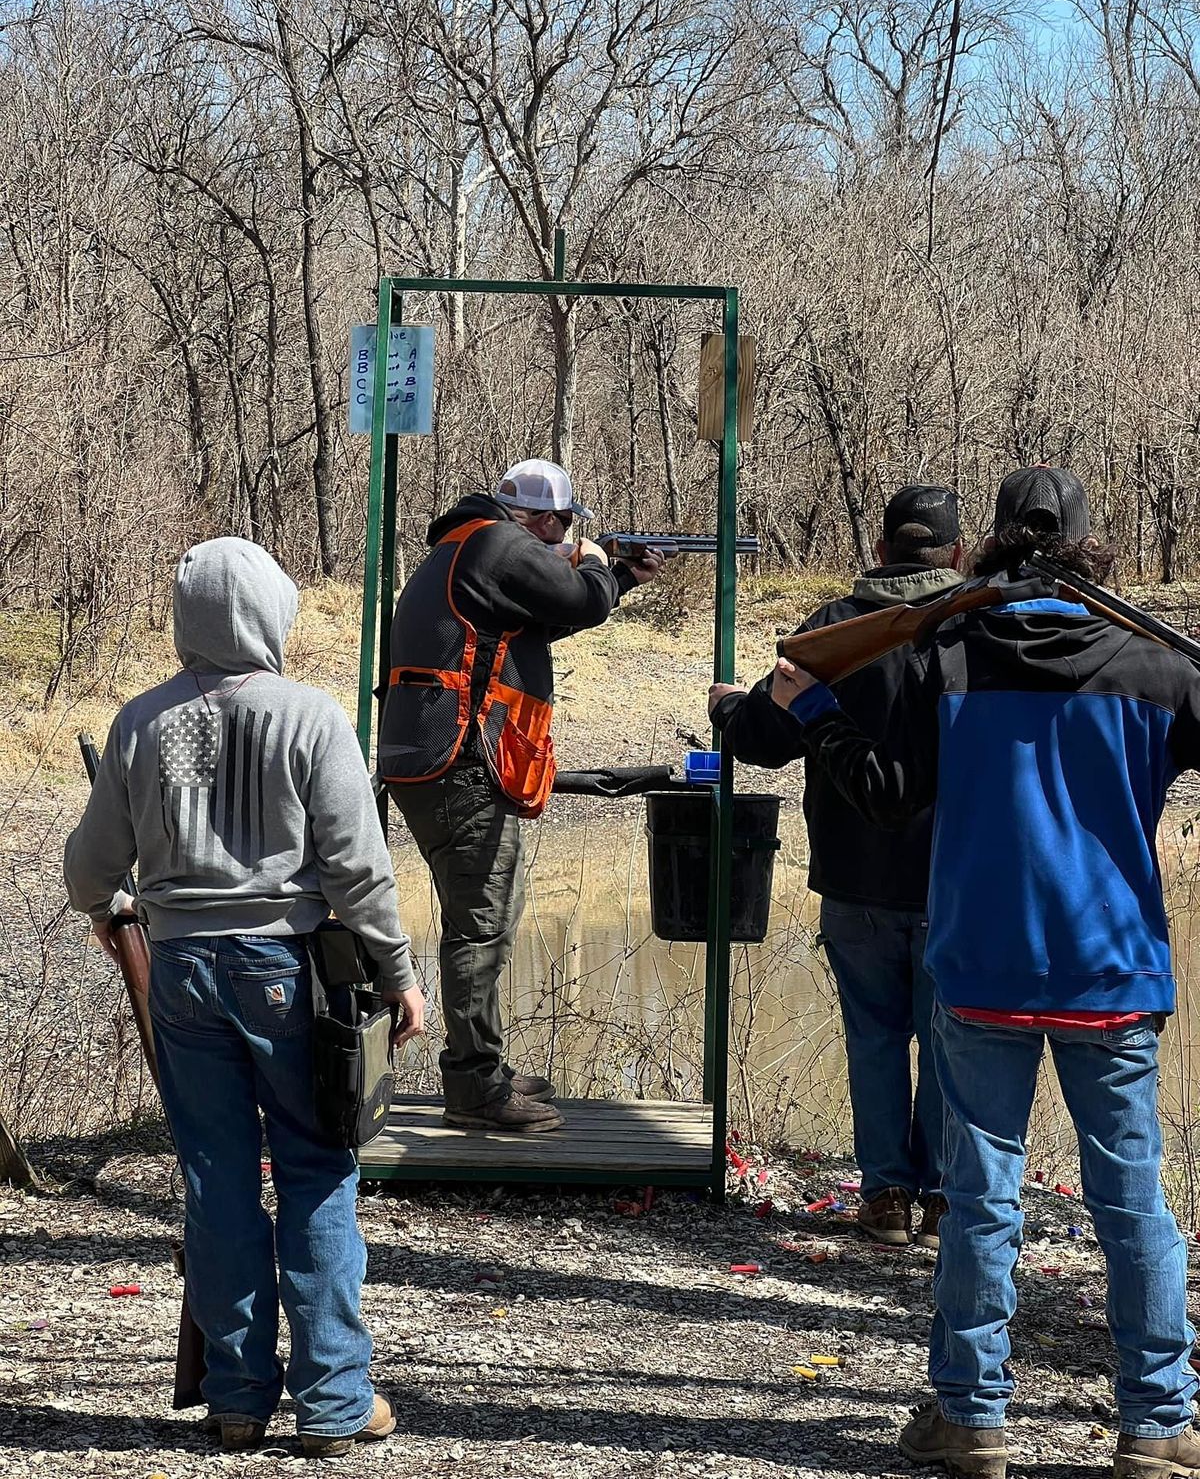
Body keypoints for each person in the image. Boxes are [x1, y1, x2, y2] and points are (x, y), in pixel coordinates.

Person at [762, 467, 1200, 1479]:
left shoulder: (948, 656)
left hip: (983, 966)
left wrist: (817, 708)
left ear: (992, 545)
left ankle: (972, 1415)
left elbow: (881, 796)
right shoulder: (1154, 667)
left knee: (983, 1195)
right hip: (1112, 972)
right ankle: (1158, 1422)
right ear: (1091, 549)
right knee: (1133, 1203)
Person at [63, 538, 424, 1459]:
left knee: (216, 1181)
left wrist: (114, 908)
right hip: (284, 973)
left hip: (181, 973)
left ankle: (235, 1399)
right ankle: (337, 1404)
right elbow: (357, 869)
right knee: (316, 1171)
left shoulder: (142, 722)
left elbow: (88, 870)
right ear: (272, 613)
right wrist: (398, 973)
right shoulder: (308, 717)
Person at [710, 485, 962, 1250]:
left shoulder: (834, 628)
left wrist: (727, 706)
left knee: (875, 1039)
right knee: (951, 1041)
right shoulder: (972, 632)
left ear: (880, 551)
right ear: (955, 554)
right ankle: (946, 1197)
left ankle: (885, 1197)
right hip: (957, 882)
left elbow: (762, 736)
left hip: (855, 877)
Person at [379, 458, 664, 1134]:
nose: (566, 535)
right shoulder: (499, 542)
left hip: (430, 758)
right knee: (482, 922)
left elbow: (547, 617)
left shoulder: (466, 545)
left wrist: (617, 576)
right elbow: (580, 599)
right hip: (458, 761)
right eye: (564, 524)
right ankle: (475, 1086)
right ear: (542, 520)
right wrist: (596, 562)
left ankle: (483, 1067)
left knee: (478, 918)